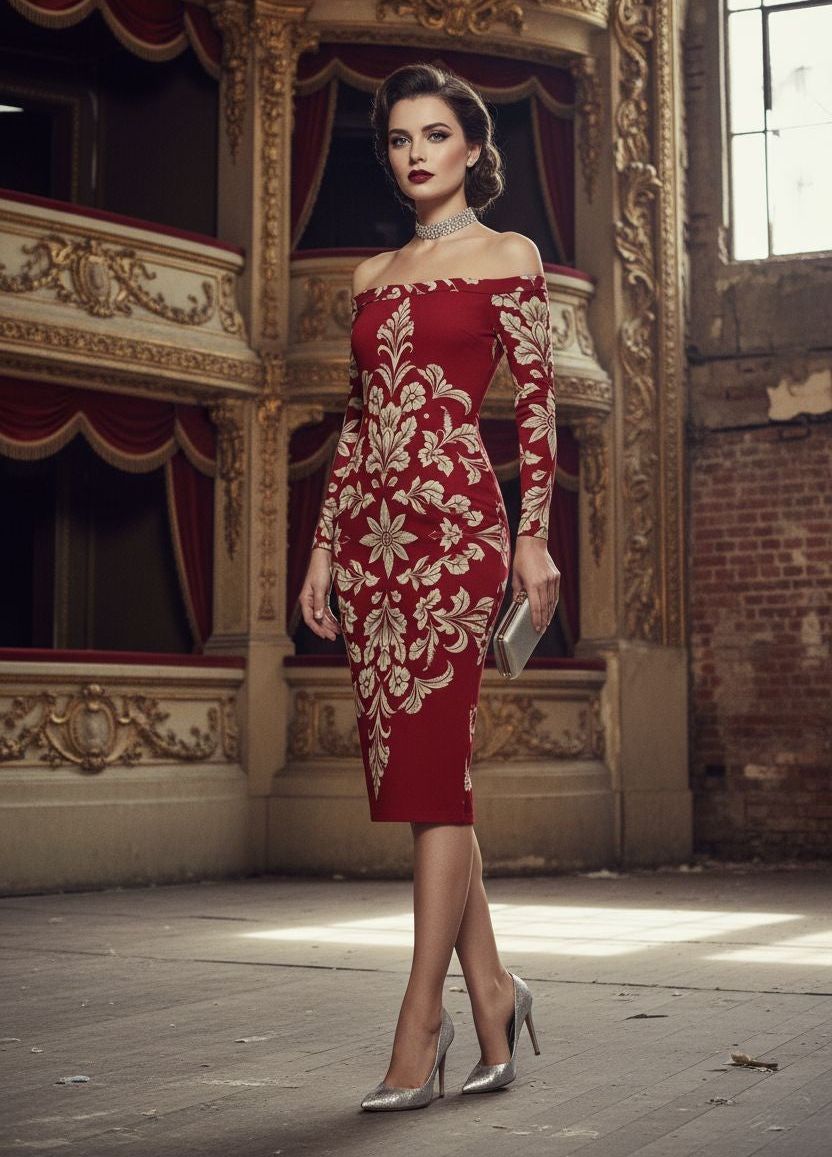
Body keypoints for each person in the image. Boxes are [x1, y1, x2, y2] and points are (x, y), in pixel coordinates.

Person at [298, 62, 560, 1111]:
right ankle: (493, 990)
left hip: (457, 537)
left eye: (436, 134)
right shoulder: (367, 279)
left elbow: (537, 411)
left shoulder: (510, 255)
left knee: (435, 776)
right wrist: (324, 549)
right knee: (422, 784)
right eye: (401, 137)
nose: (416, 152)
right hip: (370, 545)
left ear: (472, 149)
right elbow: (358, 427)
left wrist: (532, 540)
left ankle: (422, 1024)